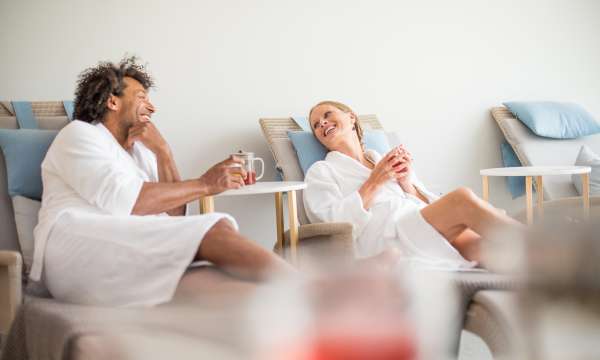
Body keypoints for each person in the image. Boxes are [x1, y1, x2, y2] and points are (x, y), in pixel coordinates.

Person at [31, 57, 293, 306]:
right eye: (142, 97)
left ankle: (305, 310)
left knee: (213, 280)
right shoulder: (79, 134)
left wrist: (163, 151)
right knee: (214, 227)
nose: (152, 107)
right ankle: (309, 289)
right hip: (78, 247)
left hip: (132, 247)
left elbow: (175, 216)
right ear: (112, 101)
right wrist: (206, 183)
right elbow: (131, 201)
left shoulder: (141, 152)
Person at [303, 101, 522, 269]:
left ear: (351, 118)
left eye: (327, 114)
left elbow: (426, 203)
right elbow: (333, 225)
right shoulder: (321, 172)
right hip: (386, 236)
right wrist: (374, 181)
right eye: (316, 125)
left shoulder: (381, 158)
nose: (322, 123)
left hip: (419, 222)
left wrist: (408, 185)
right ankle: (540, 242)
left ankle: (542, 270)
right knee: (461, 200)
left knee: (483, 250)